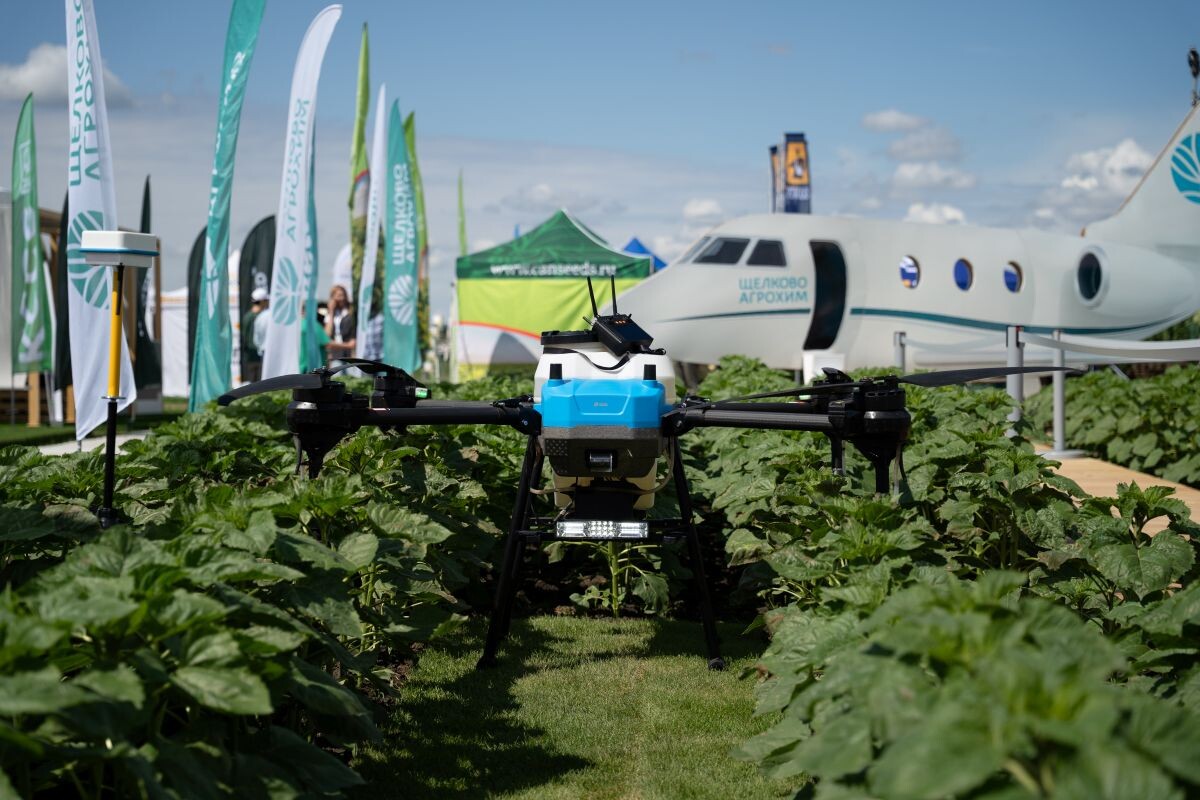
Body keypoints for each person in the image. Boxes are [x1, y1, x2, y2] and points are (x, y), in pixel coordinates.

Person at [241, 287, 269, 382]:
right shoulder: (265, 317)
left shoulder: (247, 316)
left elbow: (244, 336)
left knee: (252, 385)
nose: (267, 303)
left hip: (250, 356)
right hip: (261, 355)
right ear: (262, 301)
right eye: (266, 300)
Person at [324, 284, 356, 360]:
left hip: (349, 353)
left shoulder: (350, 312)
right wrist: (331, 312)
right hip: (335, 353)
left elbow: (353, 340)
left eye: (343, 295)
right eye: (339, 296)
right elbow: (327, 334)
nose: (342, 298)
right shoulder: (330, 314)